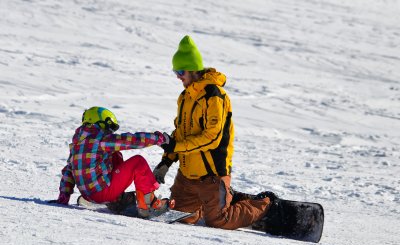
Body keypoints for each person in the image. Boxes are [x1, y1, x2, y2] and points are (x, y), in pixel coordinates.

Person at [154, 35, 274, 230]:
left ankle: (266, 205)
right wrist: (166, 161)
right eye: (175, 71)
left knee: (219, 221)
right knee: (181, 217)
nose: (177, 75)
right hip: (186, 176)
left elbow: (212, 137)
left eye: (180, 71)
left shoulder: (214, 96)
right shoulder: (184, 97)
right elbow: (180, 132)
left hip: (211, 174)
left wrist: (177, 146)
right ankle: (223, 199)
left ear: (193, 70)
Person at [50, 106, 170, 218]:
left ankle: (117, 201)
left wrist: (63, 198)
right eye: (109, 127)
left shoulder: (77, 144)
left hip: (88, 195)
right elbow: (130, 140)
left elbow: (68, 171)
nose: (110, 132)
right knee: (138, 162)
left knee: (115, 155)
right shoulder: (100, 139)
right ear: (99, 123)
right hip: (102, 193)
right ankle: (148, 204)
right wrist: (158, 138)